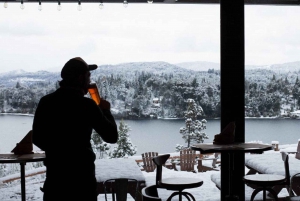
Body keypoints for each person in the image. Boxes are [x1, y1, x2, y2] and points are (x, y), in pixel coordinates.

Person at [32, 57, 118, 201]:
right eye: (88, 77)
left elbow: (37, 139)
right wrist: (106, 110)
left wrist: (58, 150)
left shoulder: (46, 102)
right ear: (80, 78)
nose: (90, 82)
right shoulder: (87, 106)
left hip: (56, 180)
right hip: (82, 181)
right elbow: (111, 137)